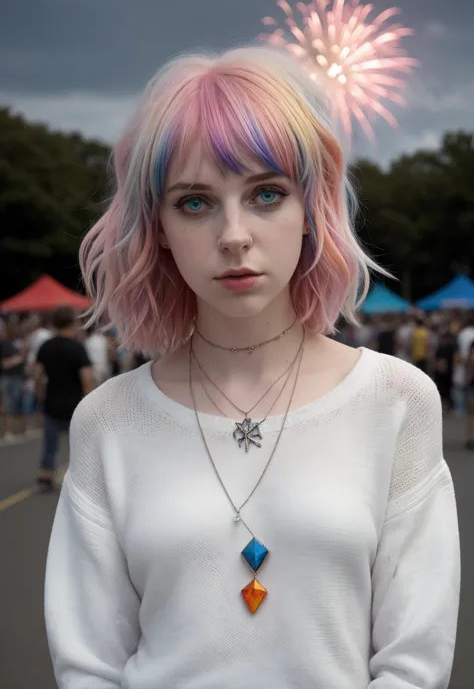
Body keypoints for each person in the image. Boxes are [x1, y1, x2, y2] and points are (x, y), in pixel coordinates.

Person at [44, 47, 460, 688]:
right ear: (156, 226)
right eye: (194, 203)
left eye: (267, 194)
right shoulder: (109, 418)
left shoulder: (397, 399)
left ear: (310, 208)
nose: (234, 234)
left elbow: (415, 659)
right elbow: (88, 664)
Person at [34, 306, 95, 489]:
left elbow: (37, 374)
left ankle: (46, 471)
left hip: (52, 401)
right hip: (74, 404)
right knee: (78, 442)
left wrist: (41, 395)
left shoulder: (46, 346)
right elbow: (87, 377)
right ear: (72, 324)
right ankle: (81, 476)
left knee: (50, 442)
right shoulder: (77, 348)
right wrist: (90, 399)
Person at [0, 321, 27, 440]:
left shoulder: (18, 344)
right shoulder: (4, 345)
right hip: (8, 378)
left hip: (17, 377)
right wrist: (18, 359)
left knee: (18, 403)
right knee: (7, 404)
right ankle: (7, 431)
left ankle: (21, 430)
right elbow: (4, 364)